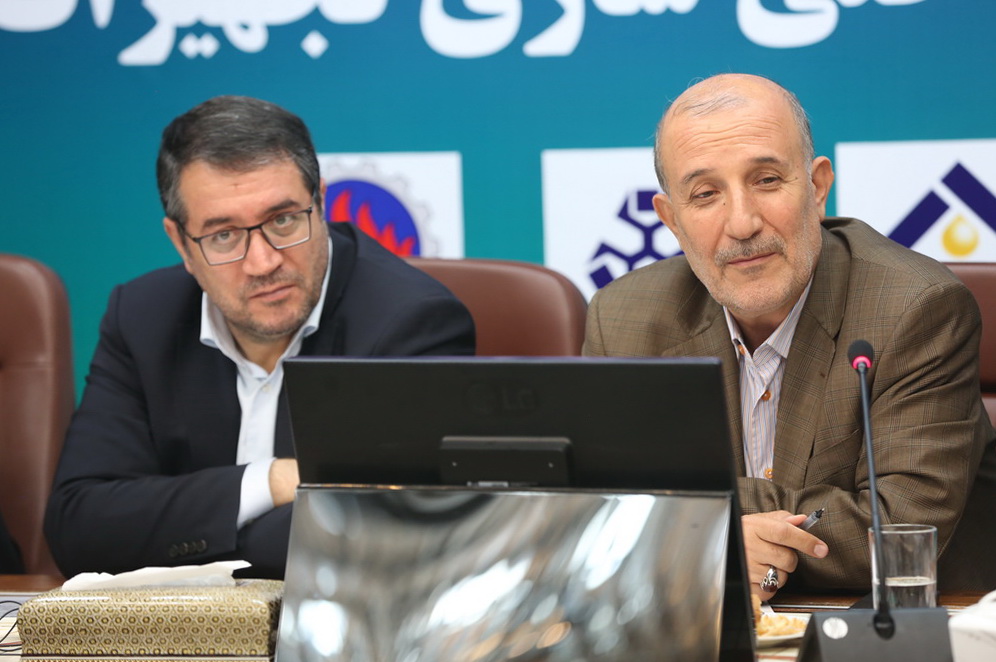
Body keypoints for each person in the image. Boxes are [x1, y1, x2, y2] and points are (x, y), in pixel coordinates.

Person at [584, 73, 996, 594]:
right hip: (710, 624)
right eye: (705, 194)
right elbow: (593, 511)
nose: (742, 224)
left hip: (892, 620)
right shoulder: (623, 318)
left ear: (817, 187)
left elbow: (898, 528)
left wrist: (701, 530)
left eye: (766, 180)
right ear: (671, 218)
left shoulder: (915, 309)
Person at [44, 95, 475, 579]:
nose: (263, 262)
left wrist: (189, 538)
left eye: (283, 221)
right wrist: (271, 482)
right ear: (181, 243)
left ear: (320, 204)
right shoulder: (143, 317)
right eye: (224, 235)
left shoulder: (410, 322)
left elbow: (392, 532)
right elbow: (79, 526)